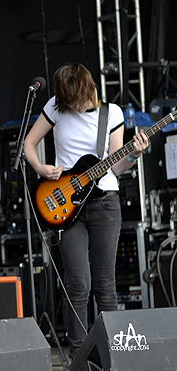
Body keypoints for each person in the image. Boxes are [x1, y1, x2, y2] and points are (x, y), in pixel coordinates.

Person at [23, 63, 149, 359]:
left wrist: (134, 154)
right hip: (66, 204)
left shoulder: (112, 113)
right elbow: (29, 143)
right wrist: (40, 168)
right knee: (78, 283)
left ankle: (112, 355)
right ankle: (78, 356)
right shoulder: (56, 107)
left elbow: (115, 167)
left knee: (105, 285)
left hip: (104, 203)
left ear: (87, 89)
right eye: (66, 101)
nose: (72, 107)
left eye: (74, 100)